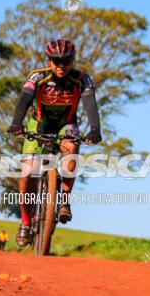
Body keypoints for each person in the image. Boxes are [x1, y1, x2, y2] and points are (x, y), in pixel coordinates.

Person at [7, 39, 102, 246]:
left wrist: (95, 129)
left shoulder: (82, 79)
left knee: (72, 147)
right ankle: (25, 222)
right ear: (49, 60)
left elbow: (89, 104)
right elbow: (24, 100)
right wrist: (16, 123)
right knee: (27, 172)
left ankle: (64, 200)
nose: (61, 66)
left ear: (72, 61)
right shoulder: (38, 76)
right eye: (56, 61)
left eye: (66, 61)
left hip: (65, 124)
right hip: (38, 124)